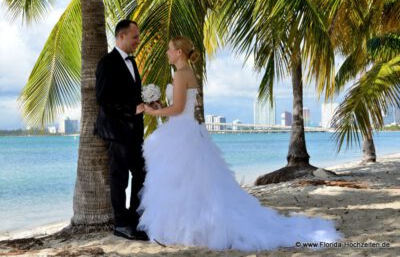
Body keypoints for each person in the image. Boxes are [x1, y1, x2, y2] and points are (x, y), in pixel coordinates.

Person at [138, 36, 342, 251]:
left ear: (179, 52)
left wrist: (154, 111)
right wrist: (162, 106)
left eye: (170, 49)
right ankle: (191, 228)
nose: (167, 53)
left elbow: (178, 109)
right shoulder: (189, 73)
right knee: (191, 184)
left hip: (180, 131)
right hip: (188, 130)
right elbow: (181, 106)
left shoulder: (180, 74)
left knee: (181, 183)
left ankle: (184, 229)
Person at [94, 19, 148, 241]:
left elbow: (133, 94)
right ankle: (121, 224)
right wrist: (131, 108)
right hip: (116, 131)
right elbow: (103, 98)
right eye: (135, 36)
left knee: (142, 173)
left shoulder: (132, 62)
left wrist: (147, 103)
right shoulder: (107, 63)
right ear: (122, 36)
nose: (138, 41)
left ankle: (134, 219)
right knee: (119, 178)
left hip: (134, 131)